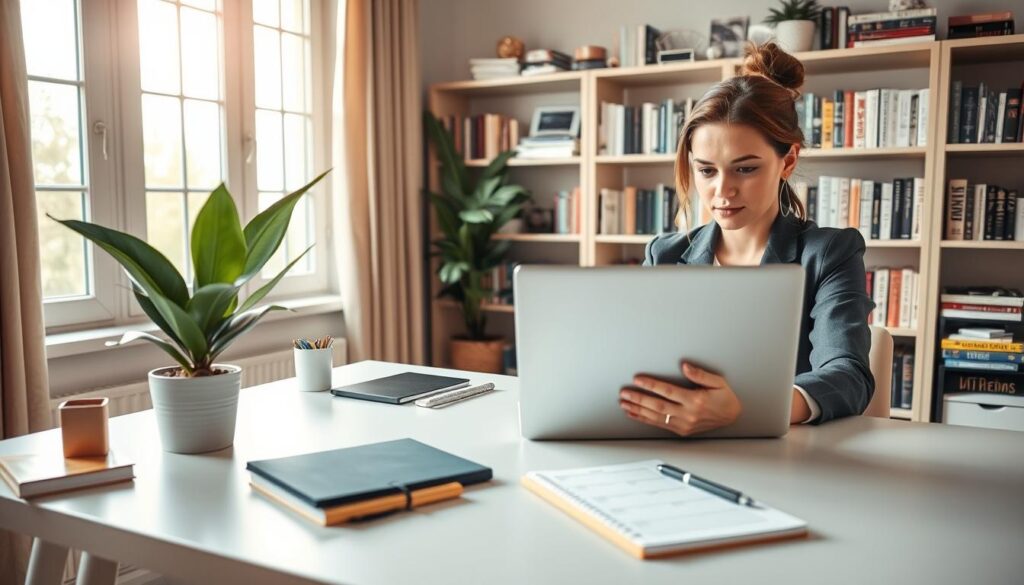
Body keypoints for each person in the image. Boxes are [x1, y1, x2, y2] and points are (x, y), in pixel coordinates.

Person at [618, 41, 875, 436]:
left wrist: (744, 408)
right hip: (674, 445)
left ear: (787, 160)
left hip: (786, 459)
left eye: (745, 169)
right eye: (706, 171)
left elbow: (849, 376)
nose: (723, 192)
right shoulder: (664, 253)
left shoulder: (829, 253)